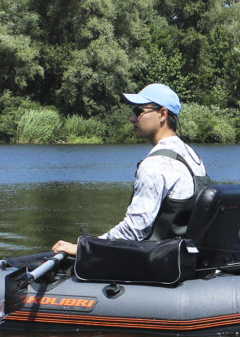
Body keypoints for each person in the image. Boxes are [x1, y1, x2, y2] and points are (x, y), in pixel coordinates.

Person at [51, 83, 209, 256]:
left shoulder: (155, 165)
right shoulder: (191, 155)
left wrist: (85, 247)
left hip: (156, 263)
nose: (132, 118)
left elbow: (133, 230)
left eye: (139, 111)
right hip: (181, 257)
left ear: (162, 114)